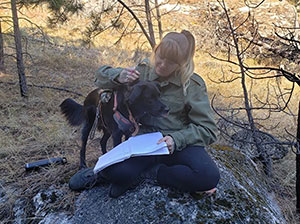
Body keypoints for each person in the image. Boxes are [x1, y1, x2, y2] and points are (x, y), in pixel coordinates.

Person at [69, 30, 220, 198]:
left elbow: (207, 129)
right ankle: (102, 173)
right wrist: (119, 76)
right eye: (160, 57)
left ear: (182, 63)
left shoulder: (193, 85)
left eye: (170, 63)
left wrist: (176, 140)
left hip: (177, 143)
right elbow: (100, 76)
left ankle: (150, 174)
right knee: (113, 171)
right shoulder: (144, 70)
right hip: (144, 143)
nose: (162, 64)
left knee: (208, 176)